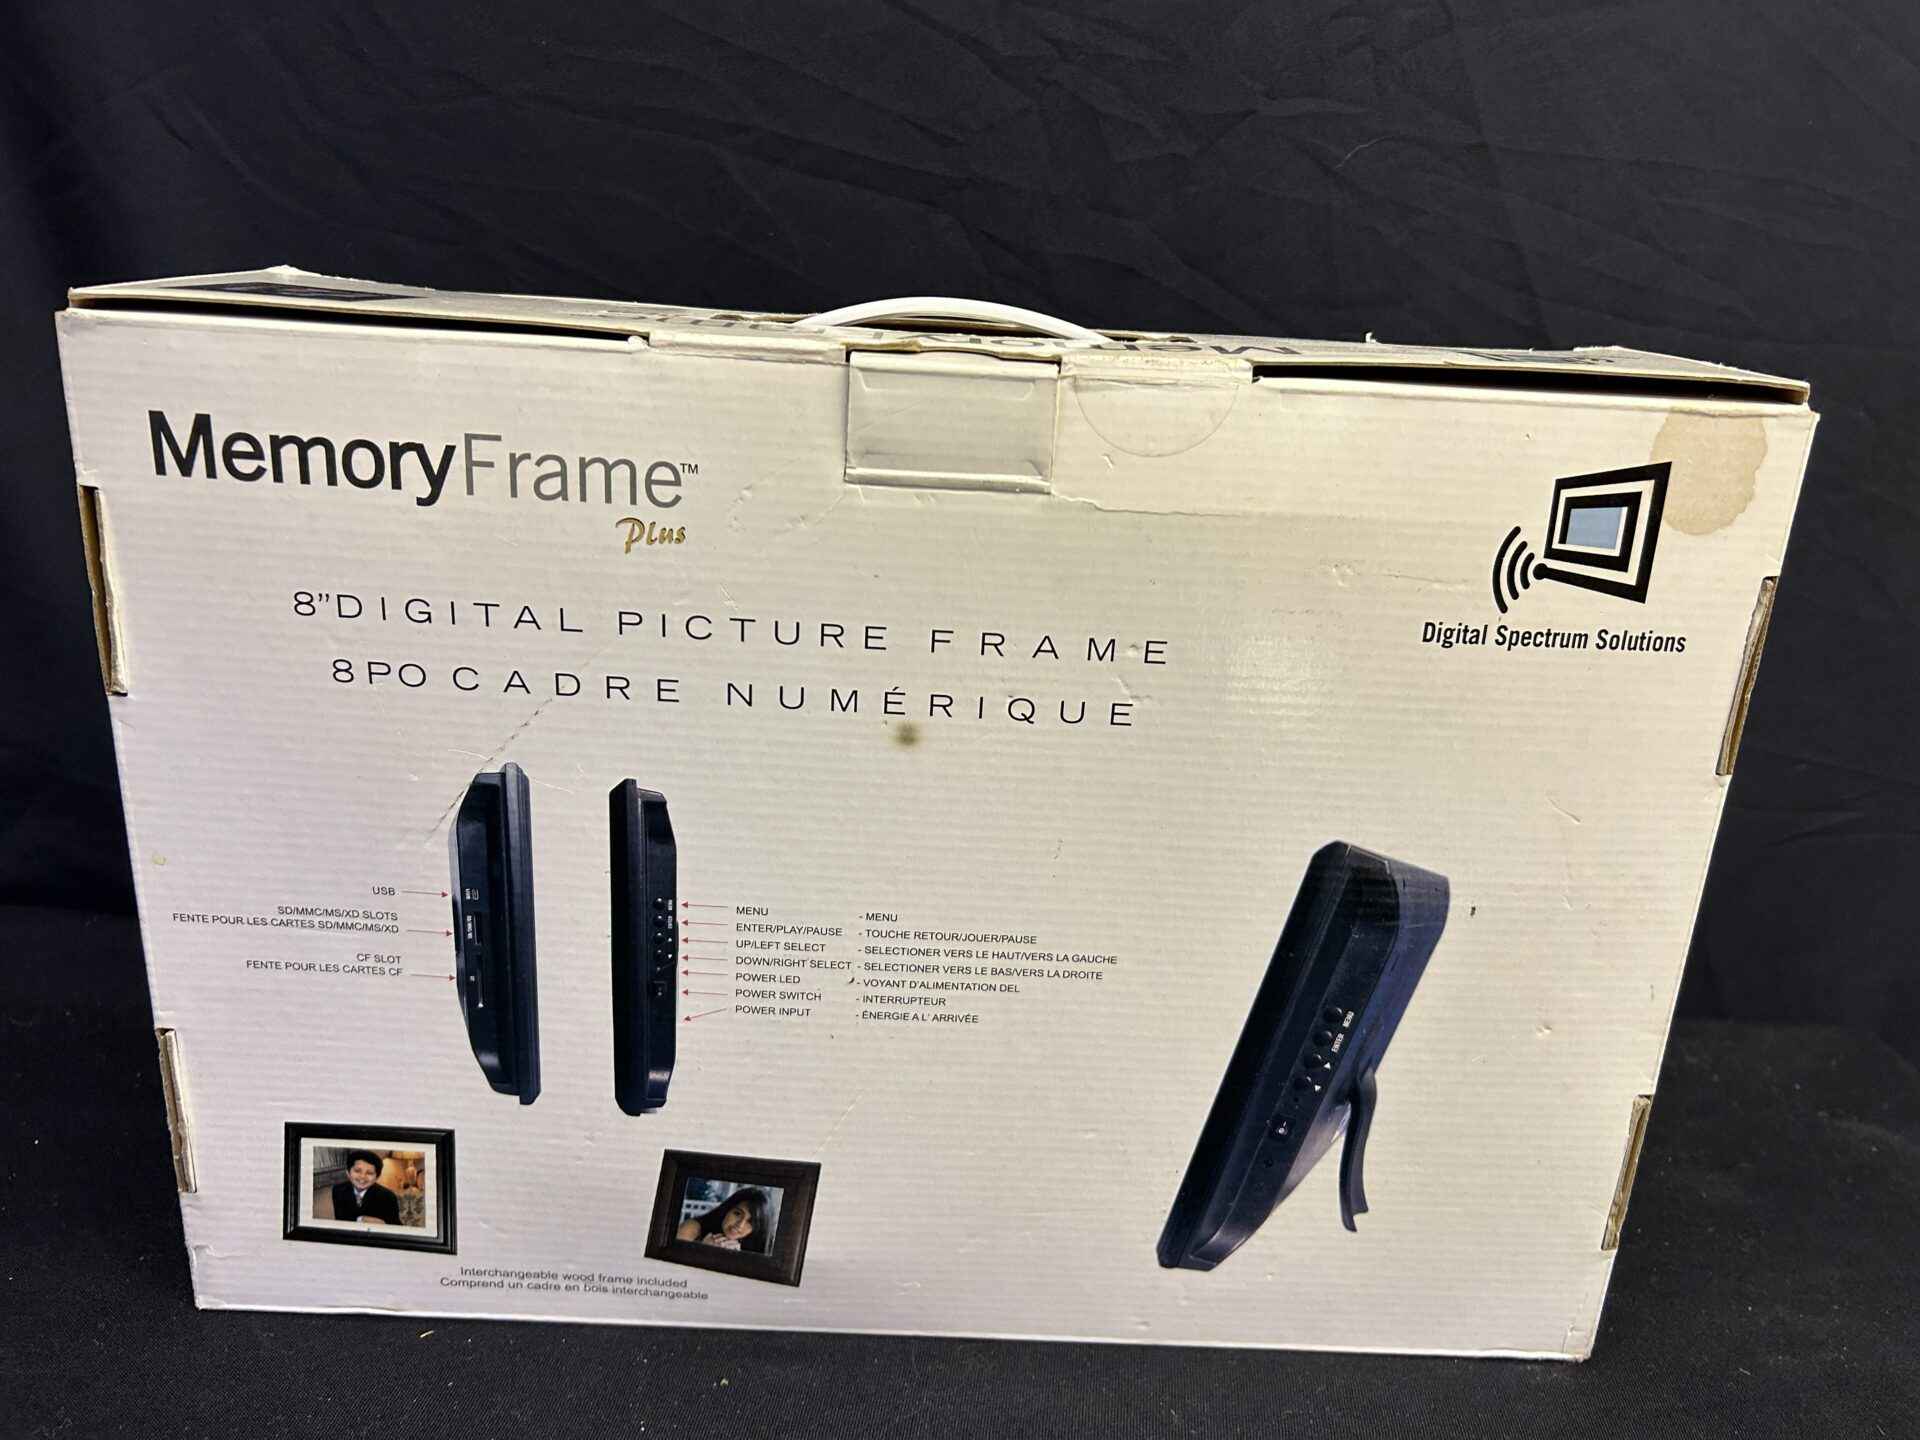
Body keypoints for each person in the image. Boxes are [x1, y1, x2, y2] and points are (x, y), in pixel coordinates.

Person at [675, 1187, 771, 1254]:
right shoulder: (692, 1228)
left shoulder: (760, 1247)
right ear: (726, 1210)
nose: (740, 1225)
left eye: (751, 1221)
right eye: (737, 1214)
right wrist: (702, 1250)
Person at [329, 1150, 402, 1226]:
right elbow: (341, 1220)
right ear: (348, 1173)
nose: (362, 1177)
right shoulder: (338, 1190)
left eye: (369, 1173)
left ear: (377, 1177)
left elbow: (396, 1226)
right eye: (357, 1171)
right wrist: (361, 1219)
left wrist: (385, 1225)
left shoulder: (388, 1196)